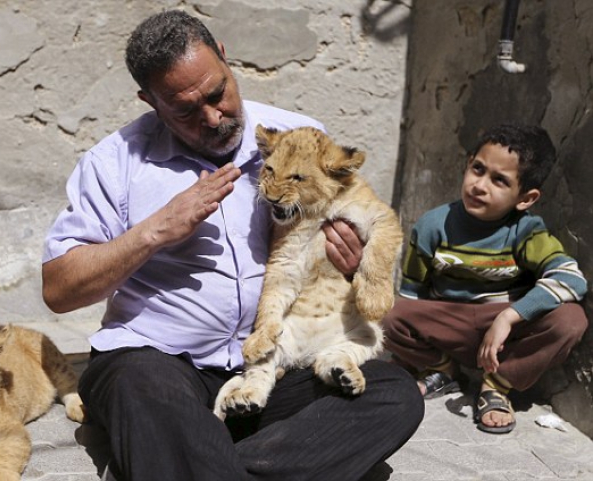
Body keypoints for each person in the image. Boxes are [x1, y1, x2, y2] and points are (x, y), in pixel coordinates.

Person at [42, 10, 423, 481]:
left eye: (218, 93)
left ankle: (196, 457)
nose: (214, 117)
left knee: (394, 393)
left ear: (224, 57)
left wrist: (349, 261)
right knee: (138, 387)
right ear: (150, 101)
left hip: (273, 363)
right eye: (185, 110)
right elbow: (59, 290)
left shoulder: (293, 136)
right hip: (160, 362)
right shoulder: (114, 163)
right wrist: (154, 231)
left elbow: (356, 229)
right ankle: (202, 449)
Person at [383, 124, 588, 434]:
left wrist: (509, 316)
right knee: (382, 310)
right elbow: (412, 295)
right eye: (477, 169)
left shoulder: (527, 231)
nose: (479, 185)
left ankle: (497, 385)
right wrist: (407, 355)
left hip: (503, 330)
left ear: (526, 198)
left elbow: (572, 279)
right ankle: (443, 371)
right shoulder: (432, 225)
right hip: (449, 322)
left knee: (571, 320)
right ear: (468, 164)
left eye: (499, 180)